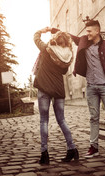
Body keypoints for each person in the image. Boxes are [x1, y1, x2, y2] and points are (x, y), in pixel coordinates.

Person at [70, 19, 105, 159]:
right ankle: (94, 147)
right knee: (93, 117)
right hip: (91, 87)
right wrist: (53, 30)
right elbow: (70, 37)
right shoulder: (84, 43)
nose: (86, 33)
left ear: (97, 31)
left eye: (89, 31)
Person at [33, 27, 79, 164]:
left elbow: (36, 38)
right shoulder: (68, 56)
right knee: (62, 120)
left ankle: (44, 153)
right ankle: (72, 148)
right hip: (59, 90)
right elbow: (64, 72)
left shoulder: (47, 49)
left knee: (44, 120)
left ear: (55, 40)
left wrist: (43, 30)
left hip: (44, 88)